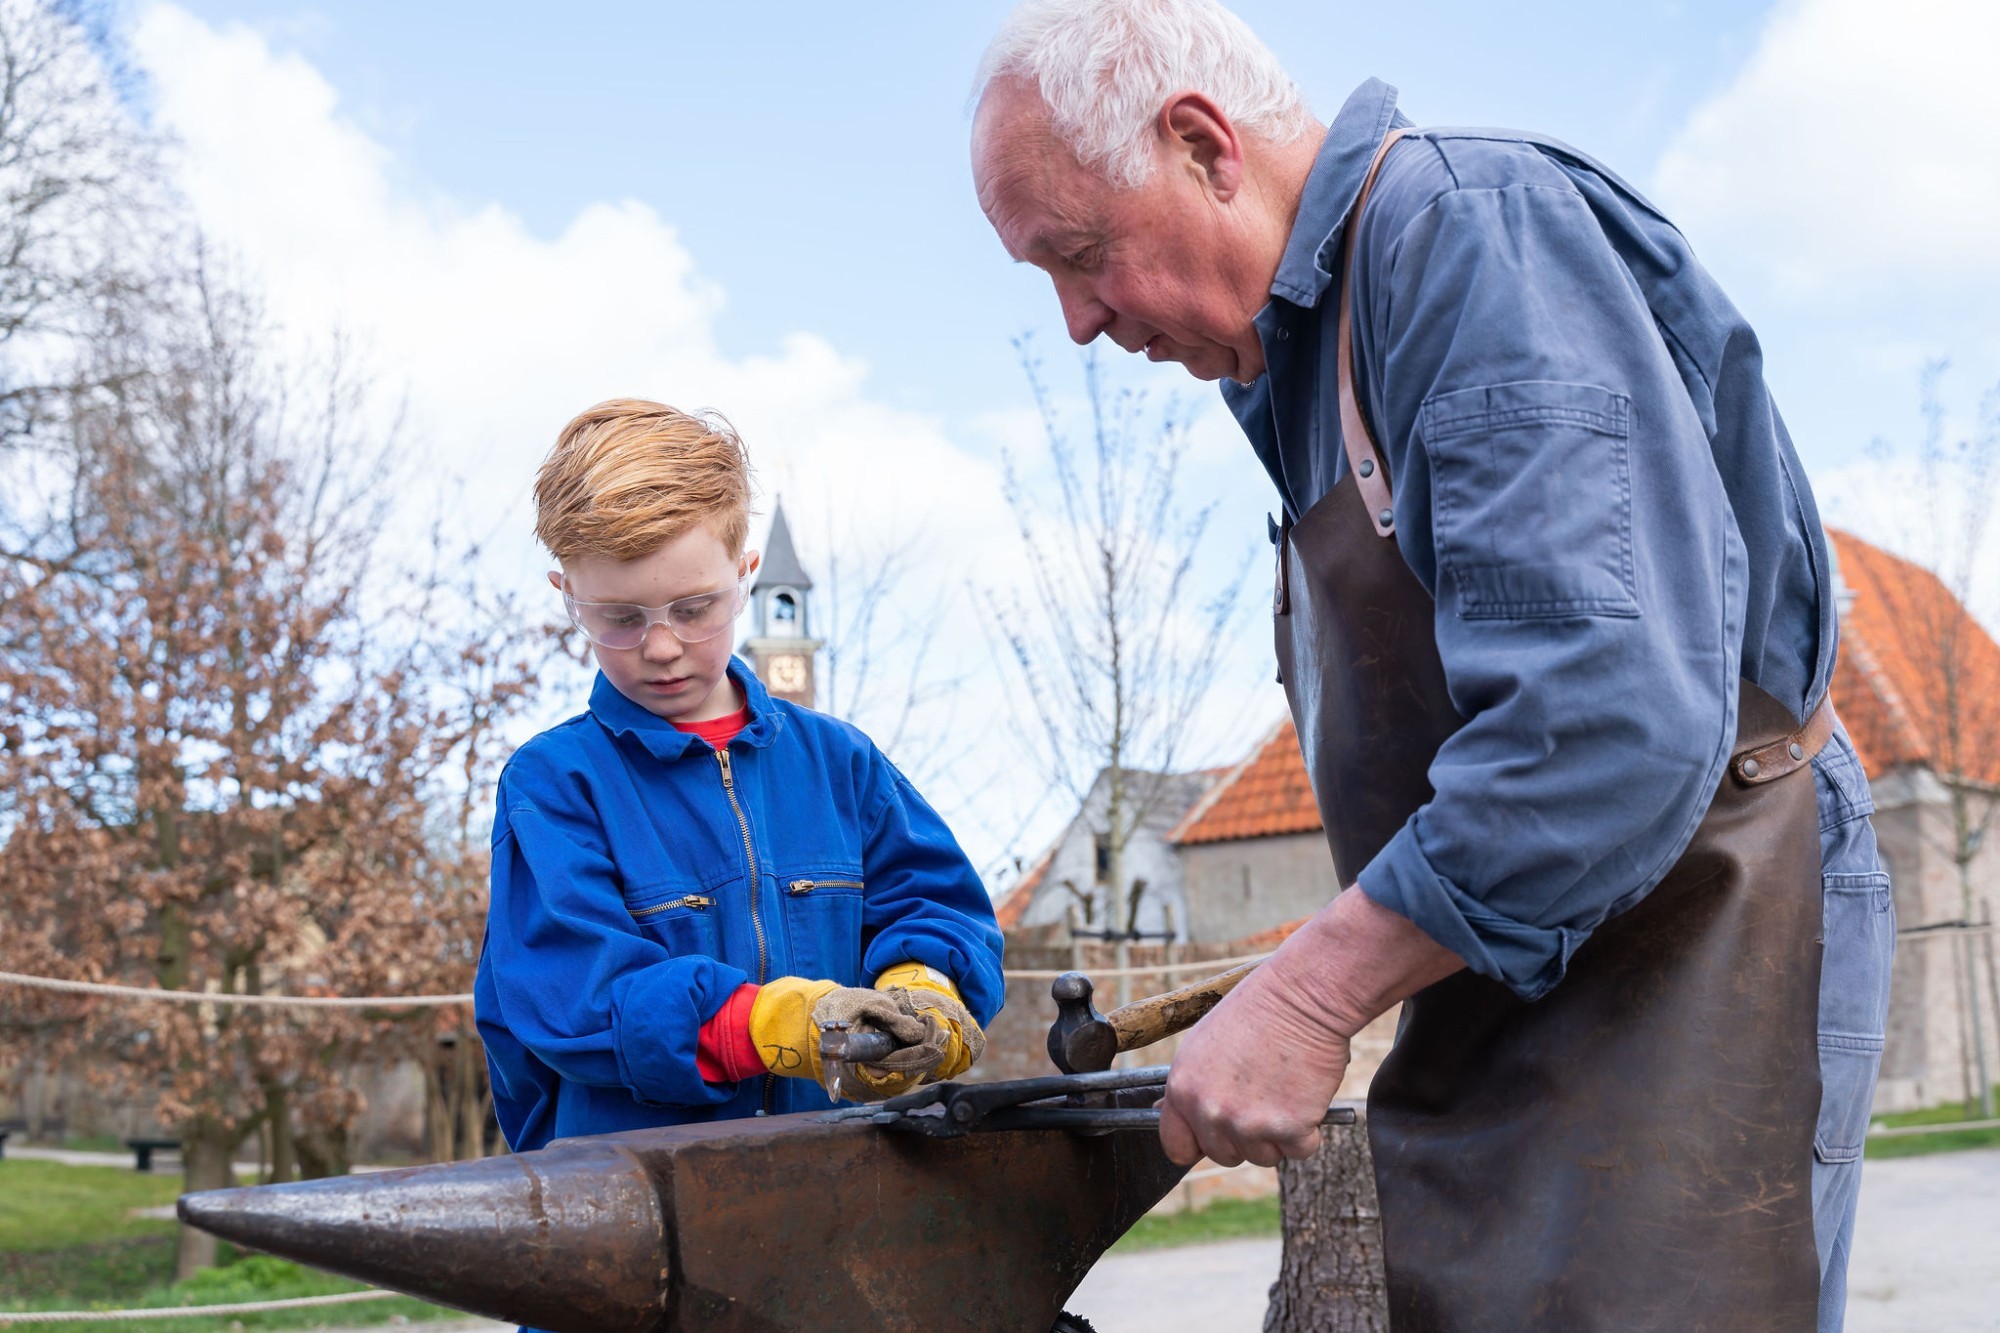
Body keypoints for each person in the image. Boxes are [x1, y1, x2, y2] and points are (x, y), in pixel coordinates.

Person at [970, 2, 1891, 1329]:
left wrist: (1311, 988)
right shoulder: (1295, 356)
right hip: (1527, 955)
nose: (1075, 321)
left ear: (1201, 148)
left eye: (1081, 253)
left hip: (1705, 905)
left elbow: (1606, 723)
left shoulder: (1471, 236)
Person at [474, 399, 1004, 1155]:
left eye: (695, 608)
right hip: (637, 1195)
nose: (661, 646)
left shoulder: (841, 763)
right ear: (568, 596)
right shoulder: (553, 786)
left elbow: (939, 904)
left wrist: (927, 989)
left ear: (746, 575)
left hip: (845, 1177)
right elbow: (574, 997)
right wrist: (767, 1025)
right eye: (620, 618)